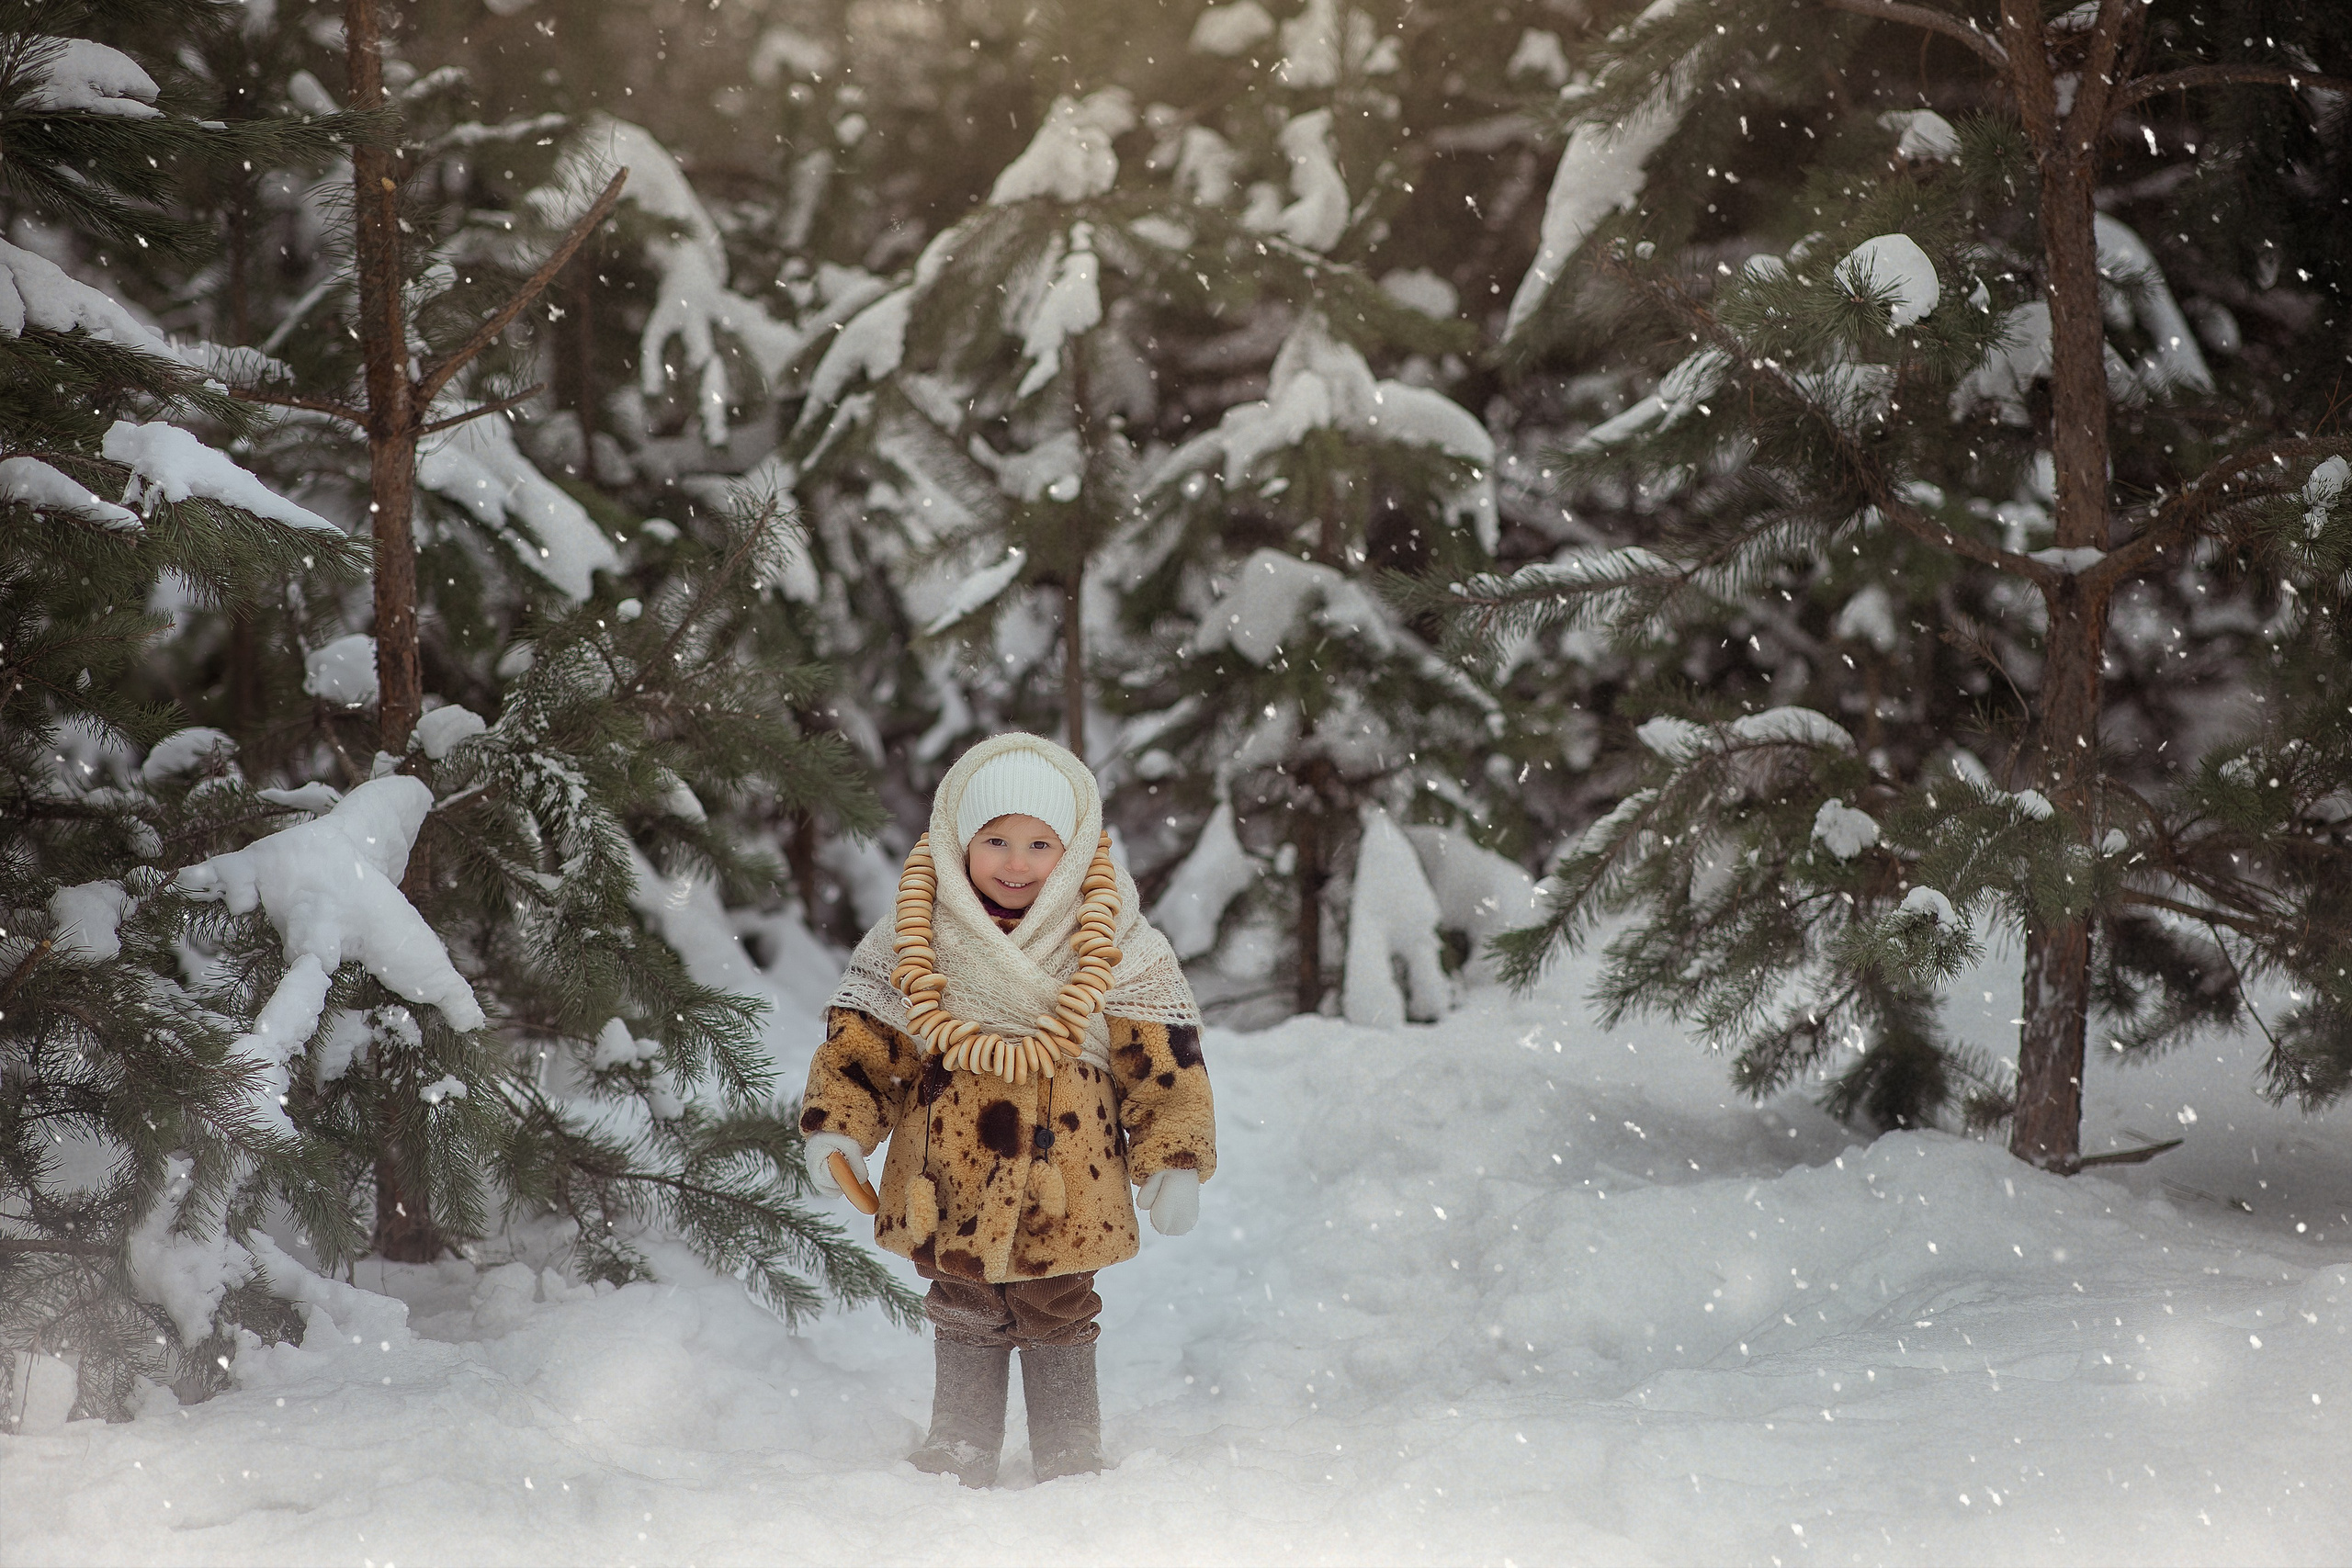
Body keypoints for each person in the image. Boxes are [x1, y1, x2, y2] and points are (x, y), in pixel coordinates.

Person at [799, 733, 1215, 1486]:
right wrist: (838, 1122)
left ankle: (1069, 1444)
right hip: (947, 1164)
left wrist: (1175, 1156)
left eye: (1039, 842)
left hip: (1069, 1168)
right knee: (960, 1295)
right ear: (960, 838)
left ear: (1076, 844)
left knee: (1059, 1300)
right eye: (995, 839)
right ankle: (960, 1439)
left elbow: (1163, 1055)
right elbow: (867, 1041)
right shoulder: (917, 933)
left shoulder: (1116, 939)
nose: (1016, 862)